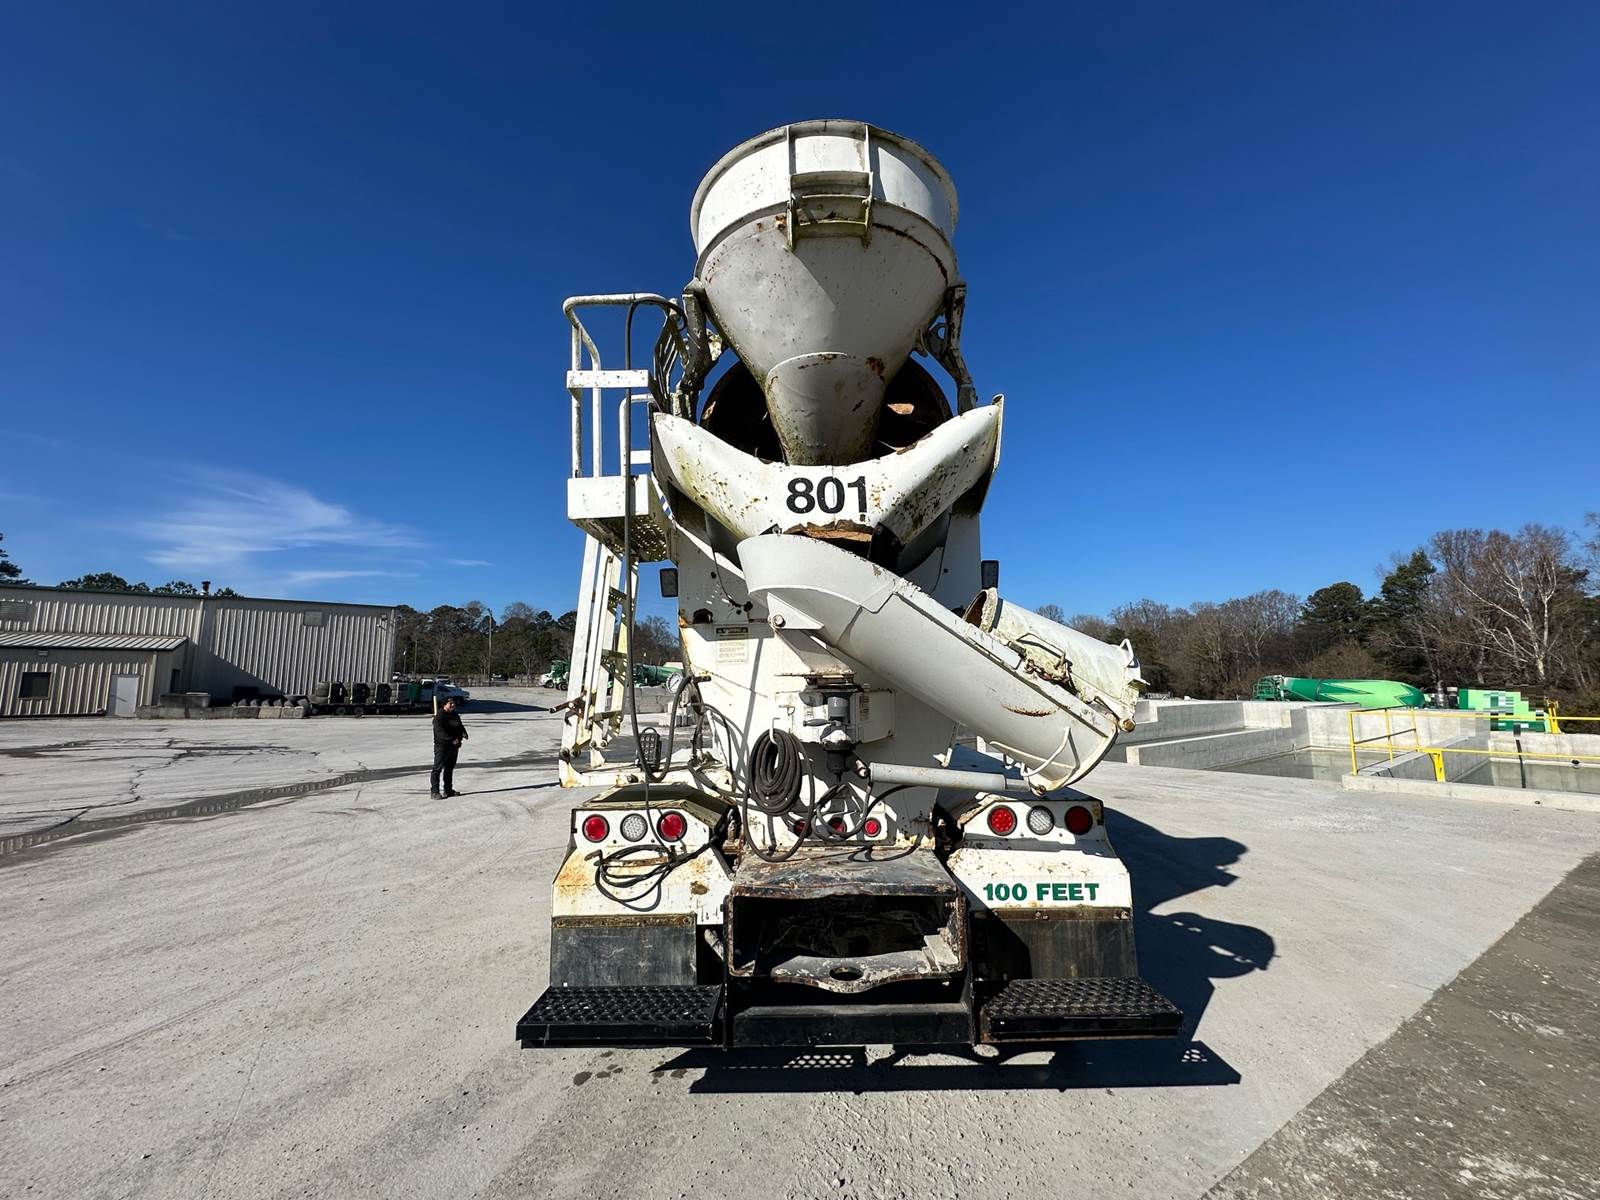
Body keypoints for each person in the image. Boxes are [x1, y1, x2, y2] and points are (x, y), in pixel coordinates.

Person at [430, 696, 468, 797]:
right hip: (442, 746)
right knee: (437, 768)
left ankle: (448, 790)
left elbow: (460, 726)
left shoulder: (454, 715)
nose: (453, 705)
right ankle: (435, 791)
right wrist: (451, 739)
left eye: (453, 703)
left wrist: (464, 733)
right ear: (444, 704)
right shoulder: (439, 717)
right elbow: (440, 732)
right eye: (450, 703)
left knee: (449, 768)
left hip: (454, 747)